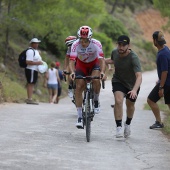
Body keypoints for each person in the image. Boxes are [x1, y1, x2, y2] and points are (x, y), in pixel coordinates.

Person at [105, 35, 142, 138]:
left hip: (132, 84)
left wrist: (134, 90)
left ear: (128, 46)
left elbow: (139, 76)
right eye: (119, 45)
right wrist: (102, 61)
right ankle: (118, 127)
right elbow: (112, 60)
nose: (121, 47)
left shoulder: (133, 58)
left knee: (130, 105)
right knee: (118, 101)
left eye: (123, 45)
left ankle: (128, 124)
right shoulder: (115, 52)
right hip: (118, 81)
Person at [69, 25, 105, 128]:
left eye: (86, 40)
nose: (83, 43)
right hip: (82, 65)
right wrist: (72, 72)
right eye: (81, 40)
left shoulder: (96, 44)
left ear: (90, 38)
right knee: (79, 86)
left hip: (94, 64)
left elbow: (102, 60)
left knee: (96, 80)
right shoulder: (75, 45)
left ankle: (96, 100)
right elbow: (72, 61)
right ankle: (80, 117)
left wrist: (102, 72)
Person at [147, 31, 170, 129]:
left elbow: (165, 71)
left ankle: (159, 122)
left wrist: (161, 86)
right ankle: (159, 122)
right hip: (166, 82)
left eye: (153, 39)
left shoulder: (162, 54)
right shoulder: (166, 49)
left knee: (151, 100)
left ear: (155, 40)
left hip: (166, 83)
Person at [25, 38, 43, 105]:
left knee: (32, 83)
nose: (37, 44)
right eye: (35, 43)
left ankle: (30, 98)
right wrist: (37, 63)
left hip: (34, 69)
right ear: (32, 44)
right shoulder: (30, 51)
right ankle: (29, 99)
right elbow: (28, 61)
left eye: (37, 43)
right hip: (31, 69)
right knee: (30, 83)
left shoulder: (35, 51)